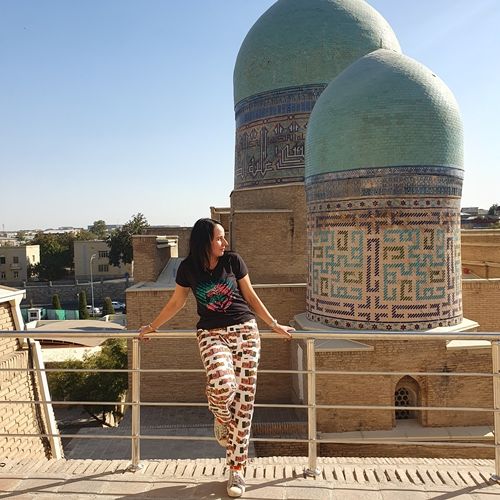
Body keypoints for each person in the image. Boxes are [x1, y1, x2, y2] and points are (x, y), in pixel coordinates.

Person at [139, 218, 294, 498]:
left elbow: (250, 296)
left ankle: (236, 470)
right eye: (219, 238)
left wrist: (273, 324)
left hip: (246, 332)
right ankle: (220, 415)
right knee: (222, 385)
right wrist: (152, 326)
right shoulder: (188, 268)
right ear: (205, 241)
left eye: (224, 237)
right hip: (211, 335)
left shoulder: (233, 261)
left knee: (244, 406)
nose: (225, 243)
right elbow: (176, 302)